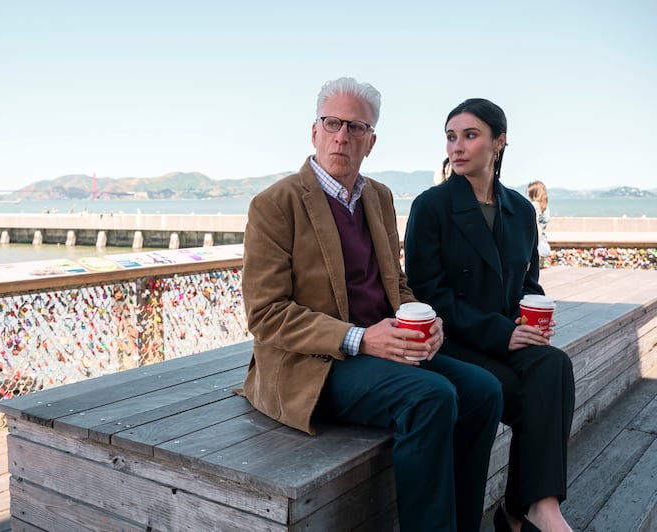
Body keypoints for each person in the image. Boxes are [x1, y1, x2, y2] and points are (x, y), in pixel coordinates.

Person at [241, 77, 503, 532]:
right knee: (431, 396)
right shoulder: (275, 205)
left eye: (356, 127)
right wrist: (360, 338)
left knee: (485, 391)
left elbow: (395, 284)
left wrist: (428, 318)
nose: (342, 136)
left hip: (385, 348)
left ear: (371, 141)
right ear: (314, 130)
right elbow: (265, 314)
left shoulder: (379, 198)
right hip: (316, 363)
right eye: (333, 123)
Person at [404, 98, 576, 532]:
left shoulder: (521, 212)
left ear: (499, 143)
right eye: (450, 137)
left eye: (470, 135)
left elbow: (528, 285)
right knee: (528, 398)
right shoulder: (431, 207)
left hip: (507, 339)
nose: (456, 147)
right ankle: (519, 514)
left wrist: (531, 320)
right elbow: (428, 294)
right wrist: (503, 333)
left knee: (555, 364)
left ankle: (538, 508)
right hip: (458, 343)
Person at [527, 180, 552, 260]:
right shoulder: (545, 207)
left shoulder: (534, 205)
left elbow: (533, 222)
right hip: (543, 238)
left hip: (536, 237)